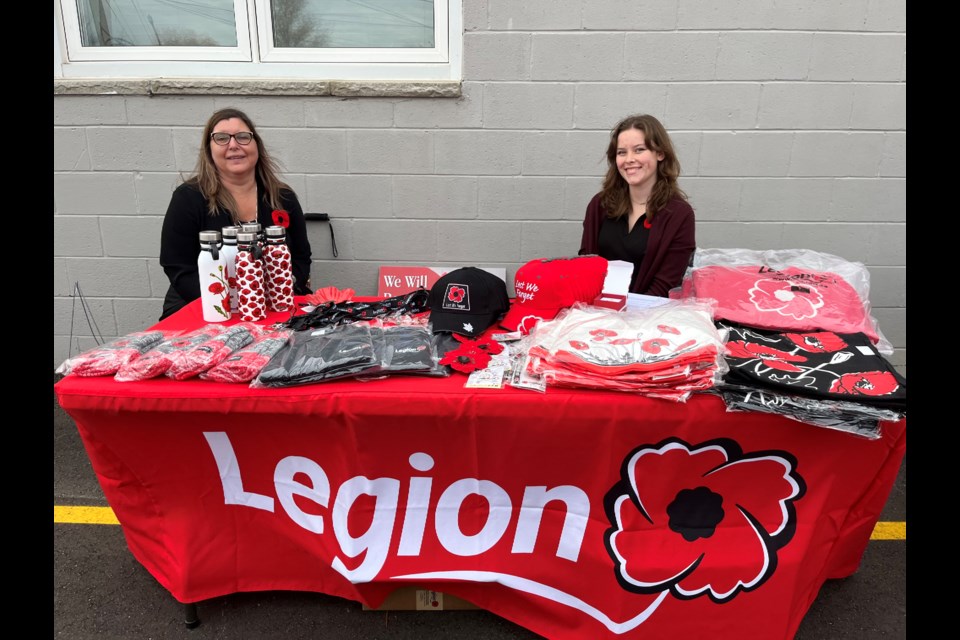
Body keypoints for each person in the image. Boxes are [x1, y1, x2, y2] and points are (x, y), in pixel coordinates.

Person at [159, 108, 313, 320]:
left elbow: (302, 258)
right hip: (206, 307)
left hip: (274, 307)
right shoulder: (188, 198)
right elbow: (178, 267)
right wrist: (234, 305)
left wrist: (280, 294)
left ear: (256, 145)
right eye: (221, 138)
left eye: (243, 137)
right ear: (209, 149)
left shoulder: (283, 196)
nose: (233, 145)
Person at [579, 114, 695, 297]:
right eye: (622, 152)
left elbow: (666, 284)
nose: (629, 159)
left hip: (648, 315)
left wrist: (629, 317)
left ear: (660, 153)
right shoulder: (599, 205)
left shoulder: (679, 214)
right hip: (598, 311)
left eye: (639, 150)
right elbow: (586, 266)